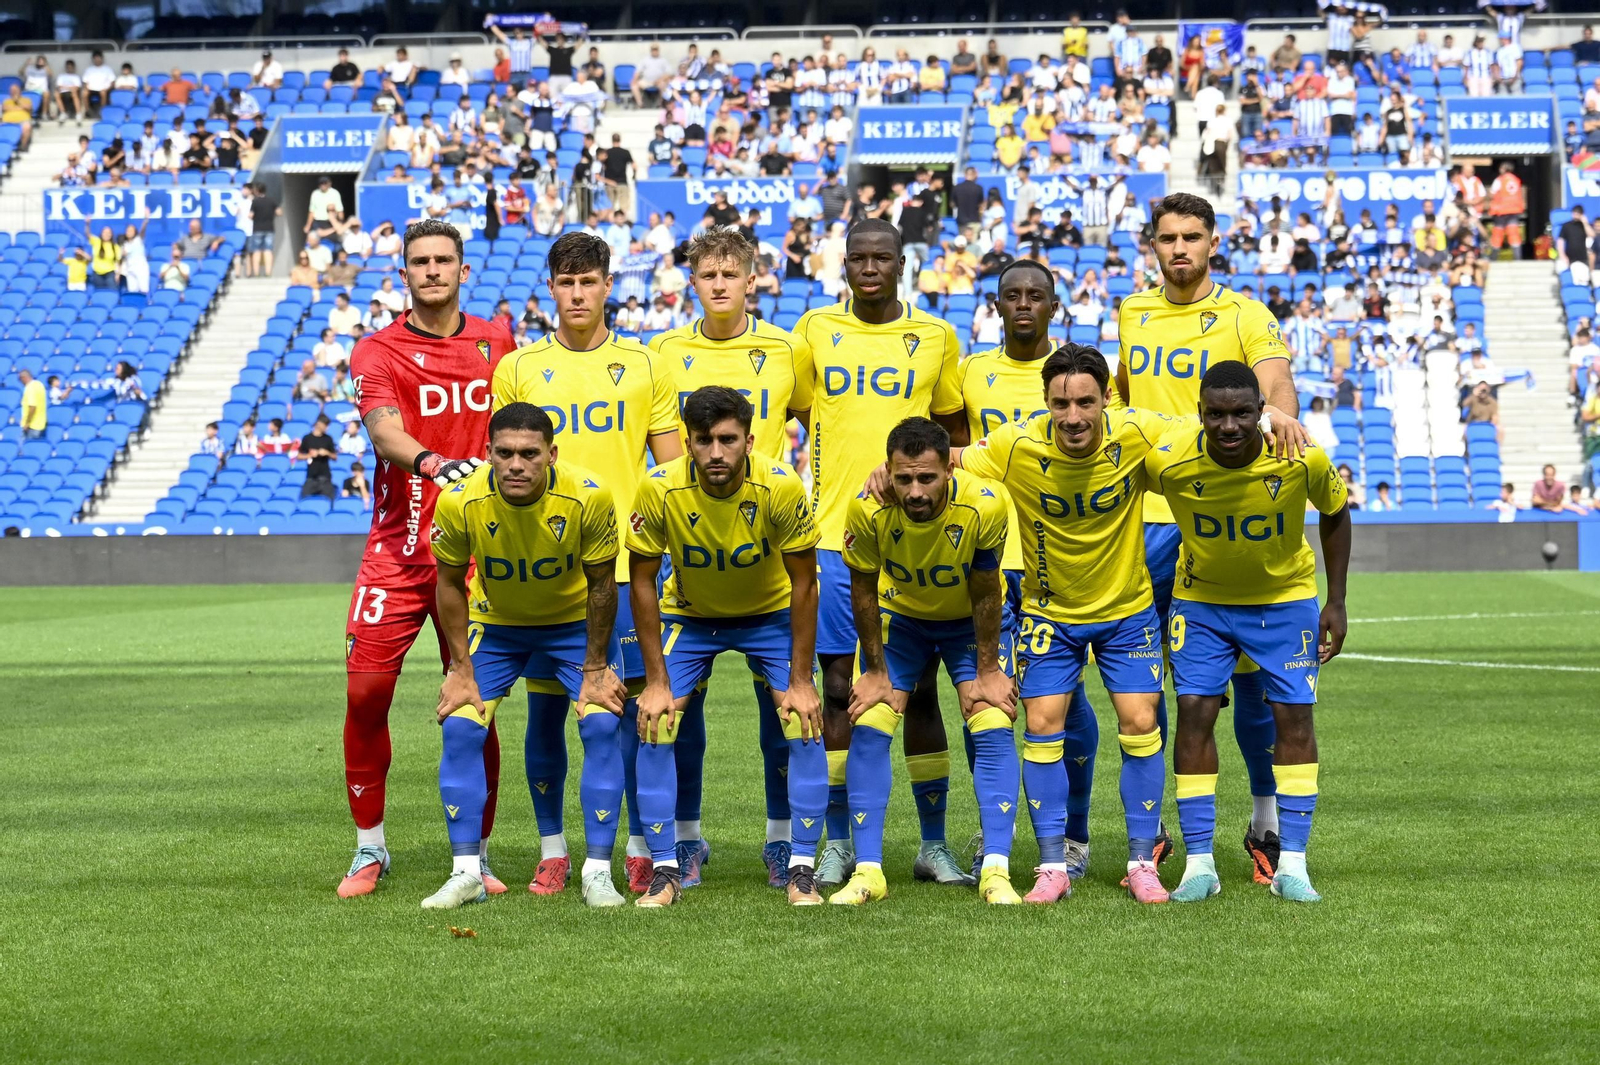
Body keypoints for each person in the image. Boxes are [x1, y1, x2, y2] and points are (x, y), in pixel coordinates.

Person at [953, 345, 1210, 904]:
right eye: (1061, 404)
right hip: (1051, 613)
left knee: (1141, 722)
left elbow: (1209, 426)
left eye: (1085, 403)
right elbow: (948, 460)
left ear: (1105, 399)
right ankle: (1053, 867)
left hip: (1127, 611)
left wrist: (1274, 419)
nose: (1073, 417)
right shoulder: (1015, 444)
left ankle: (1142, 861)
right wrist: (887, 467)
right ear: (1045, 402)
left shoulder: (1138, 432)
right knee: (1044, 725)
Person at [1117, 192, 1309, 887]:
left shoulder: (1244, 314)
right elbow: (1121, 400)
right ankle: (1161, 828)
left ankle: (1265, 824)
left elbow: (1274, 381)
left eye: (1191, 236)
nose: (1179, 249)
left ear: (1213, 241)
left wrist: (1282, 414)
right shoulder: (1132, 311)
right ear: (1152, 244)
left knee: (1255, 689)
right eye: (1167, 237)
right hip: (1147, 527)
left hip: (1222, 522)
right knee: (1156, 688)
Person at [490, 232, 684, 897]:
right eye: (565, 282)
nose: (577, 293)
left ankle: (633, 842)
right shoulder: (518, 366)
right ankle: (552, 849)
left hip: (626, 568)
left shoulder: (644, 363)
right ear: (551, 288)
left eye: (588, 281)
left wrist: (664, 532)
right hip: (543, 567)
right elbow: (503, 467)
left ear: (608, 286)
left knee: (621, 711)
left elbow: (672, 464)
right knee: (546, 715)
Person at [336, 218, 517, 899]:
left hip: (475, 554)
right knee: (365, 692)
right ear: (404, 272)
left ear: (463, 271)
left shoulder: (497, 341)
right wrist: (436, 462)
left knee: (475, 703)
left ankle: (477, 856)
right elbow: (384, 430)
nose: (433, 269)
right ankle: (369, 848)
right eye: (420, 261)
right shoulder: (377, 349)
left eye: (445, 259)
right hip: (398, 549)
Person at [791, 219, 970, 890]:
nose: (869, 267)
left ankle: (932, 843)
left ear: (903, 263)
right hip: (836, 540)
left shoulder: (934, 337)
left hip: (917, 540)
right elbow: (799, 411)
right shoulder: (813, 331)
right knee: (841, 690)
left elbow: (954, 433)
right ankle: (839, 841)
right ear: (844, 265)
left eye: (881, 257)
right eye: (858, 257)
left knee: (918, 692)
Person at [645, 228, 817, 884]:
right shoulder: (665, 351)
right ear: (693, 281)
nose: (719, 284)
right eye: (707, 273)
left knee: (783, 709)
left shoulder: (783, 348)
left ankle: (781, 838)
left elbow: (814, 420)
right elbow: (663, 437)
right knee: (680, 711)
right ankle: (686, 838)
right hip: (691, 543)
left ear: (753, 279)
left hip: (766, 548)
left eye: (731, 273)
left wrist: (808, 491)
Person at [1146, 361, 1349, 905]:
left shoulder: (1301, 457)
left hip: (1283, 603)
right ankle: (1199, 864)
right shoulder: (1169, 462)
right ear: (1201, 414)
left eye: (1242, 414)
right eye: (1217, 415)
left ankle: (1294, 865)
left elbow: (1336, 511)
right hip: (1203, 602)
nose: (1229, 426)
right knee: (1195, 711)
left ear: (1263, 413)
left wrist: (1336, 600)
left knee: (1294, 718)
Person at [624, 386, 826, 907]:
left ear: (750, 440)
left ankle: (797, 860)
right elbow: (641, 582)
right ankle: (668, 866)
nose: (716, 452)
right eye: (704, 441)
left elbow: (805, 582)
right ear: (687, 443)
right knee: (658, 720)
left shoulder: (780, 487)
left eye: (728, 440)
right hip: (691, 617)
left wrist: (802, 682)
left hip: (770, 615)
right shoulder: (659, 488)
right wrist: (655, 681)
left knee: (799, 719)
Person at [423, 401, 628, 909]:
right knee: (461, 724)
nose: (517, 464)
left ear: (551, 454)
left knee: (602, 724)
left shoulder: (588, 496)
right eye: (505, 453)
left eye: (530, 454)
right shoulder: (458, 500)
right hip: (498, 628)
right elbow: (447, 584)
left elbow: (603, 585)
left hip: (571, 628)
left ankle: (598, 873)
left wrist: (597, 668)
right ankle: (466, 871)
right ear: (488, 453)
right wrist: (458, 668)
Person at [834, 416, 1020, 907]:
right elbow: (863, 592)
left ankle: (996, 871)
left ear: (948, 474)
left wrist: (987, 671)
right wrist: (875, 672)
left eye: (927, 478)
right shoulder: (866, 509)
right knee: (871, 720)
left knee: (993, 719)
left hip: (966, 623)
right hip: (902, 620)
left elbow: (986, 590)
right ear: (888, 473)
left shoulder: (984, 505)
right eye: (904, 479)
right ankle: (869, 872)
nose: (915, 491)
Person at [298, 415, 338, 500]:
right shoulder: (307, 438)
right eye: (325, 425)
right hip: (311, 477)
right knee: (305, 500)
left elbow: (335, 457)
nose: (327, 428)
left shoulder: (328, 439)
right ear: (319, 424)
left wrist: (327, 453)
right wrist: (310, 455)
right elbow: (298, 456)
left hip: (325, 477)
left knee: (329, 501)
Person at [17, 368, 46, 439]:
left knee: (27, 448)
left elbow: (32, 406)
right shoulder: (39, 384)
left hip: (32, 426)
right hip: (41, 423)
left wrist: (27, 423)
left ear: (23, 377)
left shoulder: (30, 387)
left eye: (19, 379)